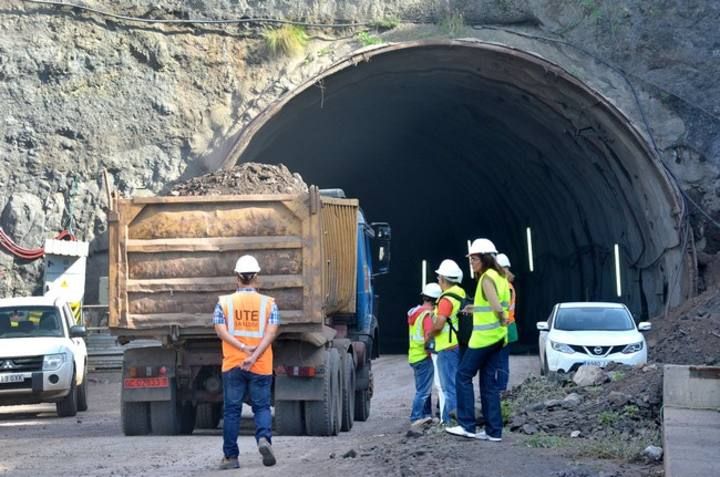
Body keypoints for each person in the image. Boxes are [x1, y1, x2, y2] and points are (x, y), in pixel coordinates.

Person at [213, 255, 280, 470]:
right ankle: (263, 440)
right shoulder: (269, 304)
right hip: (260, 365)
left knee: (232, 411)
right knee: (261, 407)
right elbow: (270, 334)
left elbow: (220, 331)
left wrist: (242, 350)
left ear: (237, 277)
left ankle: (231, 457)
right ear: (256, 278)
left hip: (233, 364)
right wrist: (254, 356)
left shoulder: (224, 303)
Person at [446, 238, 509, 442]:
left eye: (474, 258)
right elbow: (492, 304)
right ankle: (494, 431)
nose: (471, 262)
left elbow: (497, 307)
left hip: (483, 339)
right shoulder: (500, 276)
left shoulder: (486, 279)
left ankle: (467, 425)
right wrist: (475, 308)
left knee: (463, 375)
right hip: (498, 338)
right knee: (489, 384)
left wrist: (501, 316)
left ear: (484, 258)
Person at [430, 259, 467, 425]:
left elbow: (439, 324)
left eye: (439, 277)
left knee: (448, 388)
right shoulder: (460, 293)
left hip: (446, 347)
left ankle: (450, 422)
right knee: (455, 385)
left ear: (444, 279)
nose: (438, 280)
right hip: (458, 344)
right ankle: (454, 419)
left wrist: (431, 326)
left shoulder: (446, 299)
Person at [407, 282, 442, 426]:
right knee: (423, 391)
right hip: (423, 356)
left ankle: (426, 415)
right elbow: (428, 335)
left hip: (414, 355)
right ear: (436, 300)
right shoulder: (427, 316)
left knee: (423, 388)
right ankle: (416, 418)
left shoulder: (416, 313)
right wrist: (432, 349)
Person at [495, 253, 518, 392]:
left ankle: (501, 389)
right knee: (500, 360)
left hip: (505, 326)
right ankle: (499, 388)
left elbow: (501, 309)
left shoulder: (506, 287)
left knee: (501, 361)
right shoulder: (507, 285)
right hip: (506, 325)